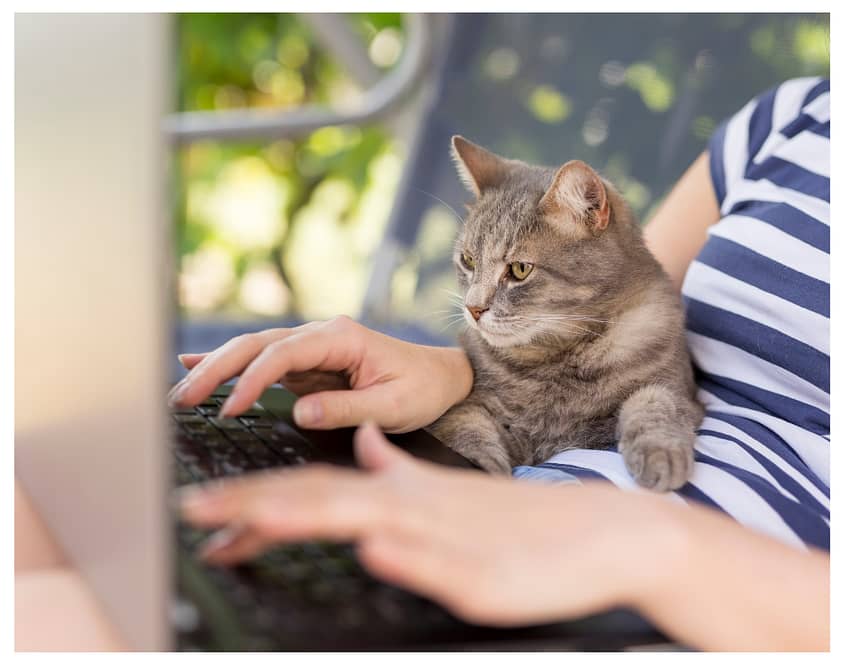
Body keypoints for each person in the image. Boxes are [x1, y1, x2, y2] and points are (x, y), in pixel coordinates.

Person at [16, 77, 829, 651]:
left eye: (503, 274)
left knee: (89, 615)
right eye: (467, 271)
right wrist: (452, 373)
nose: (474, 297)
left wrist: (653, 545)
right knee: (54, 483)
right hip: (486, 503)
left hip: (667, 604)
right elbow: (625, 301)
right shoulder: (791, 119)